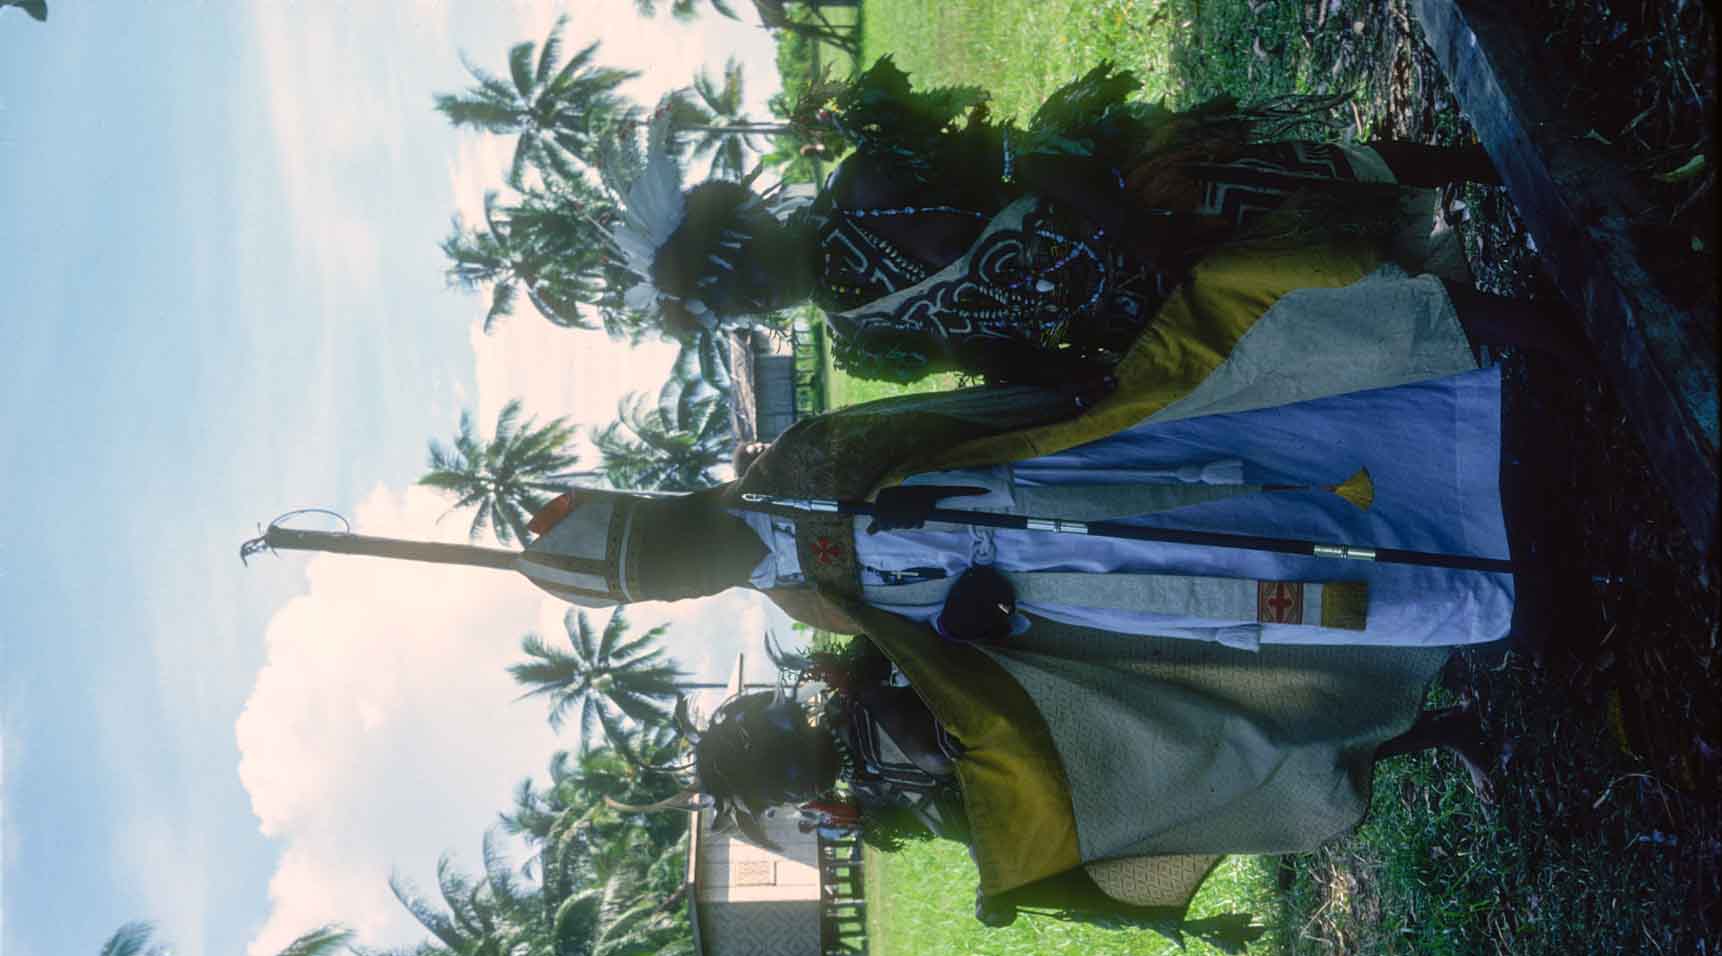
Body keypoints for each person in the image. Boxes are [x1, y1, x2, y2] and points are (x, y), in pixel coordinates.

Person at [522, 185, 1546, 915]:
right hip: (1073, 604)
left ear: (665, 508)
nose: (684, 575)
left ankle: (1465, 467)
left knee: (1259, 486)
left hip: (1063, 487)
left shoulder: (797, 463)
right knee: (1256, 599)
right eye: (663, 588)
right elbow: (930, 656)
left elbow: (952, 423)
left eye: (665, 551)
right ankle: (1470, 592)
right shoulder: (801, 603)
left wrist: (1059, 410)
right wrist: (967, 626)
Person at [611, 56, 1578, 390]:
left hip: (1140, 206)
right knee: (1341, 303)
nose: (759, 298)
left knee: (1326, 179)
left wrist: (1134, 225)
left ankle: (1513, 164)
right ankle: (1572, 336)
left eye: (740, 275)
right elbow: (986, 352)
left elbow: (1025, 160)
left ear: (747, 225)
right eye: (741, 307)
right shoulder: (863, 340)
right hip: (1128, 314)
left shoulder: (868, 181)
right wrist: (1084, 379)